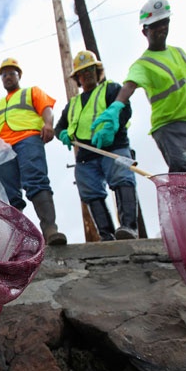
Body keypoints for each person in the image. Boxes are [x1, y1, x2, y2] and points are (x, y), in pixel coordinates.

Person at [91, 0, 186, 175]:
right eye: (155, 25)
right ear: (145, 31)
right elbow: (129, 86)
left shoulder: (179, 52)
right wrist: (116, 106)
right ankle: (184, 202)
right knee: (184, 170)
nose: (162, 28)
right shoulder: (143, 64)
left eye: (164, 22)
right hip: (170, 124)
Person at [0, 58, 67, 246]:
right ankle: (18, 240)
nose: (7, 77)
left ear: (19, 75)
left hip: (27, 139)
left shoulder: (31, 92)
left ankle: (50, 229)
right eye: (4, 74)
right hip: (1, 149)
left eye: (11, 73)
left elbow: (46, 109)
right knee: (9, 195)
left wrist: (48, 124)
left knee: (35, 180)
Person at [55, 51, 138, 241]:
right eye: (82, 72)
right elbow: (61, 125)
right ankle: (106, 234)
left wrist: (111, 129)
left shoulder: (110, 89)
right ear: (77, 78)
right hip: (86, 154)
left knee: (123, 181)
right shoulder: (73, 104)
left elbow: (124, 110)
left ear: (97, 70)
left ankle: (129, 228)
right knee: (91, 192)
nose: (87, 75)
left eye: (90, 69)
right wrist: (62, 134)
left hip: (113, 146)